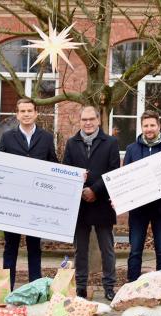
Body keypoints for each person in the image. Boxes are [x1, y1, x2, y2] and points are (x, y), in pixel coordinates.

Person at [0, 98, 58, 289]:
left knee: (34, 247)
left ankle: (35, 289)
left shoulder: (47, 138)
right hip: (13, 202)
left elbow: (54, 164)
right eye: (22, 111)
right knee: (11, 247)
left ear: (36, 113)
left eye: (29, 111)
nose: (26, 114)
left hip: (36, 203)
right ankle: (8, 289)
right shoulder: (7, 138)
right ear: (17, 114)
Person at [63, 106, 120, 300]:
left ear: (98, 120)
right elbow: (66, 171)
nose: (87, 123)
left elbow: (113, 171)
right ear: (80, 121)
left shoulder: (111, 142)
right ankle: (80, 287)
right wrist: (81, 190)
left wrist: (95, 189)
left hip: (102, 202)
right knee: (80, 249)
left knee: (107, 249)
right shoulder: (71, 143)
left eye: (91, 119)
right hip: (79, 206)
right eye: (84, 120)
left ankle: (110, 286)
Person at [124, 110, 161, 282]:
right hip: (138, 211)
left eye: (152, 125)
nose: (149, 129)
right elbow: (125, 179)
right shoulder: (131, 149)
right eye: (145, 125)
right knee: (135, 250)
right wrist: (119, 198)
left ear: (159, 126)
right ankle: (132, 286)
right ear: (141, 127)